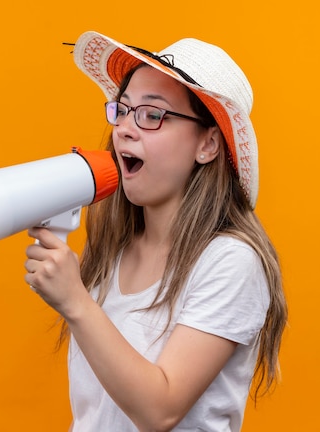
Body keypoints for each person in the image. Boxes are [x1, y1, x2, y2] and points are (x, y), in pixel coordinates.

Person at [24, 31, 288, 432]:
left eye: (152, 115)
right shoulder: (113, 252)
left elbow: (159, 410)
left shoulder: (231, 262)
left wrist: (75, 300)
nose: (126, 129)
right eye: (124, 110)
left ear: (209, 144)